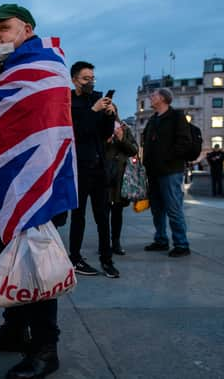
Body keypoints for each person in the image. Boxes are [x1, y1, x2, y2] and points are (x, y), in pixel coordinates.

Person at [0, 3, 77, 379]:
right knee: (4, 255)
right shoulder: (10, 70)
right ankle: (15, 329)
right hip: (9, 185)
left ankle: (47, 347)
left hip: (35, 184)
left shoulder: (43, 67)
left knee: (38, 264)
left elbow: (48, 122)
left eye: (4, 28)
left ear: (27, 29)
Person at [68, 61, 120, 278]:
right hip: (79, 166)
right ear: (74, 80)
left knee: (102, 215)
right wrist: (93, 110)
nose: (90, 82)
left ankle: (107, 259)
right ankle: (75, 258)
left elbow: (104, 133)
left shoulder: (97, 98)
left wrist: (109, 114)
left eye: (92, 78)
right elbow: (77, 131)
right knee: (78, 215)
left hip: (99, 165)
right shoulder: (68, 101)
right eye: (85, 79)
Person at [142, 87, 192, 257]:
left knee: (173, 207)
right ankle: (161, 240)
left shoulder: (176, 116)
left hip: (170, 170)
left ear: (163, 98)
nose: (150, 97)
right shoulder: (152, 119)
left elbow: (183, 141)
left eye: (154, 95)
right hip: (153, 171)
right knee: (157, 209)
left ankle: (181, 244)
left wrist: (167, 159)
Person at [105, 112, 138, 255]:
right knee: (102, 212)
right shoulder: (100, 128)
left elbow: (133, 150)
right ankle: (104, 243)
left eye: (112, 111)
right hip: (104, 175)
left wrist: (121, 138)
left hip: (120, 176)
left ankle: (116, 242)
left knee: (117, 211)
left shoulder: (125, 129)